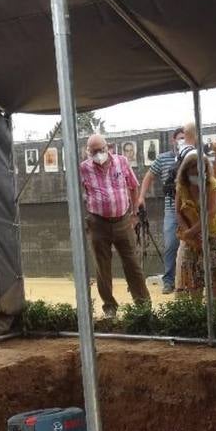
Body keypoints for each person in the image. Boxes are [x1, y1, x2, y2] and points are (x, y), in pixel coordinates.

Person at [80, 133, 151, 318]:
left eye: (101, 150)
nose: (98, 154)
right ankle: (109, 307)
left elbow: (134, 186)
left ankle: (143, 306)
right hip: (98, 223)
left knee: (132, 264)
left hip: (123, 221)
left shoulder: (121, 162)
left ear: (107, 147)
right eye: (93, 151)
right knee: (102, 267)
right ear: (88, 152)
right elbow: (77, 193)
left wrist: (135, 213)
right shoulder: (84, 168)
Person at [174, 152, 216, 295]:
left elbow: (211, 213)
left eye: (201, 173)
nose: (197, 176)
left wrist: (192, 232)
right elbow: (178, 212)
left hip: (212, 234)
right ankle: (196, 314)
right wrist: (188, 234)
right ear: (186, 172)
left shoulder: (212, 185)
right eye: (193, 173)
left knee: (215, 282)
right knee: (193, 282)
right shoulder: (181, 186)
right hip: (190, 238)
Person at [138, 127, 187, 294]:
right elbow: (149, 176)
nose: (182, 140)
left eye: (185, 138)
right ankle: (168, 281)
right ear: (173, 140)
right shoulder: (163, 158)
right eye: (180, 138)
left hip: (190, 210)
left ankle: (189, 282)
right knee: (170, 245)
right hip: (171, 210)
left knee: (192, 246)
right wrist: (141, 197)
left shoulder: (191, 156)